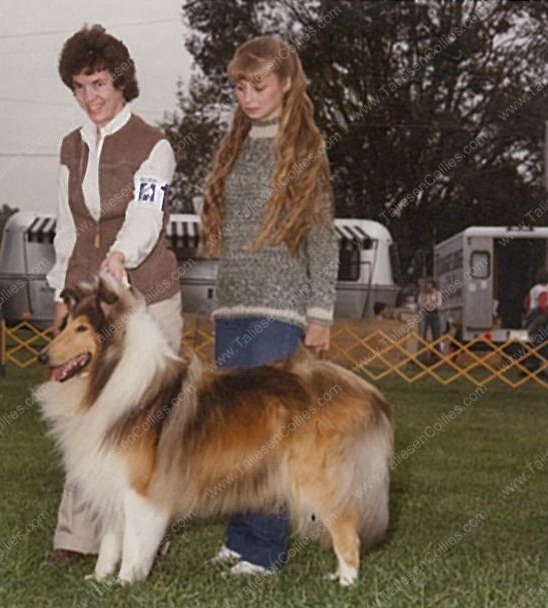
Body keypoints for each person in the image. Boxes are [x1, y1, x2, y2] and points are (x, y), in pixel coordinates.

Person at [44, 25, 183, 565]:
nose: (90, 97)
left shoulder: (155, 145)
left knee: (147, 423)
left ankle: (152, 535)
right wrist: (62, 288)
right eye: (80, 87)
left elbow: (147, 214)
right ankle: (75, 537)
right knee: (85, 418)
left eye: (99, 83)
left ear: (121, 83)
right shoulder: (70, 147)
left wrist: (122, 255)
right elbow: (66, 225)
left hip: (148, 297)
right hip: (84, 299)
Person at [200, 36, 338, 576]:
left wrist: (320, 315)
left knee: (269, 435)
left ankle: (263, 550)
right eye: (239, 85)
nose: (247, 95)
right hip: (230, 305)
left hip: (281, 310)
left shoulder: (306, 149)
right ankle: (241, 536)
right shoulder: (233, 143)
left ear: (285, 82)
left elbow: (324, 237)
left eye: (258, 85)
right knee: (234, 431)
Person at [417, 278, 443, 357]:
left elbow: (439, 305)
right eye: (427, 286)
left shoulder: (438, 294)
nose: (429, 288)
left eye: (431, 286)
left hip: (435, 314)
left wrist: (432, 302)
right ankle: (421, 354)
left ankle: (436, 354)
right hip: (424, 314)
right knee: (422, 334)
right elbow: (421, 304)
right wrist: (429, 304)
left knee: (436, 335)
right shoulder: (423, 294)